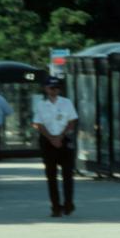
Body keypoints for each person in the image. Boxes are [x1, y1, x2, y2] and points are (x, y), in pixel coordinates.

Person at [31, 77, 78, 217]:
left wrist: (60, 137)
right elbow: (38, 124)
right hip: (48, 142)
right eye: (51, 88)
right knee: (51, 176)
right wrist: (51, 138)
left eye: (57, 88)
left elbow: (72, 121)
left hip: (64, 141)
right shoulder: (41, 105)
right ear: (45, 89)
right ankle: (55, 206)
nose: (54, 90)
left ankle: (68, 203)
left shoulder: (66, 103)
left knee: (67, 175)